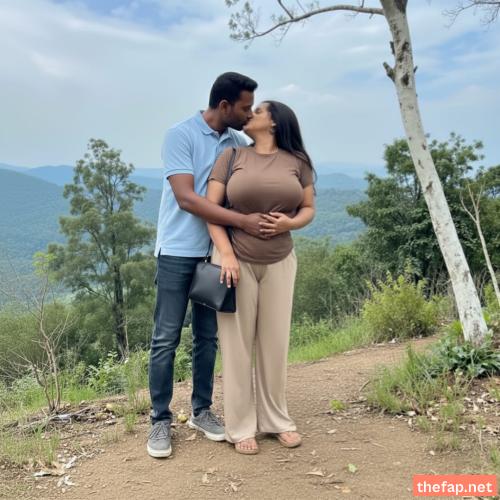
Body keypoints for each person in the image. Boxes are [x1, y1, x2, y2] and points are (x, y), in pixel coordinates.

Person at [148, 72, 267, 459]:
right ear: (224, 106)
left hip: (216, 254)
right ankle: (160, 420)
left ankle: (201, 411)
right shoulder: (180, 135)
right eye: (245, 108)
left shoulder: (236, 143)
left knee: (207, 337)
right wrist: (242, 222)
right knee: (166, 337)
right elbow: (186, 198)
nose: (249, 114)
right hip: (177, 251)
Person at [206, 100, 316, 454]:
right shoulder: (231, 157)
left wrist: (290, 223)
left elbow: (308, 208)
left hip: (280, 261)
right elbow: (211, 210)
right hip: (234, 261)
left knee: (275, 343)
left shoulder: (298, 162)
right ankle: (240, 427)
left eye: (258, 110)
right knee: (236, 346)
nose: (249, 113)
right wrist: (226, 254)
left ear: (274, 122)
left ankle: (276, 421)